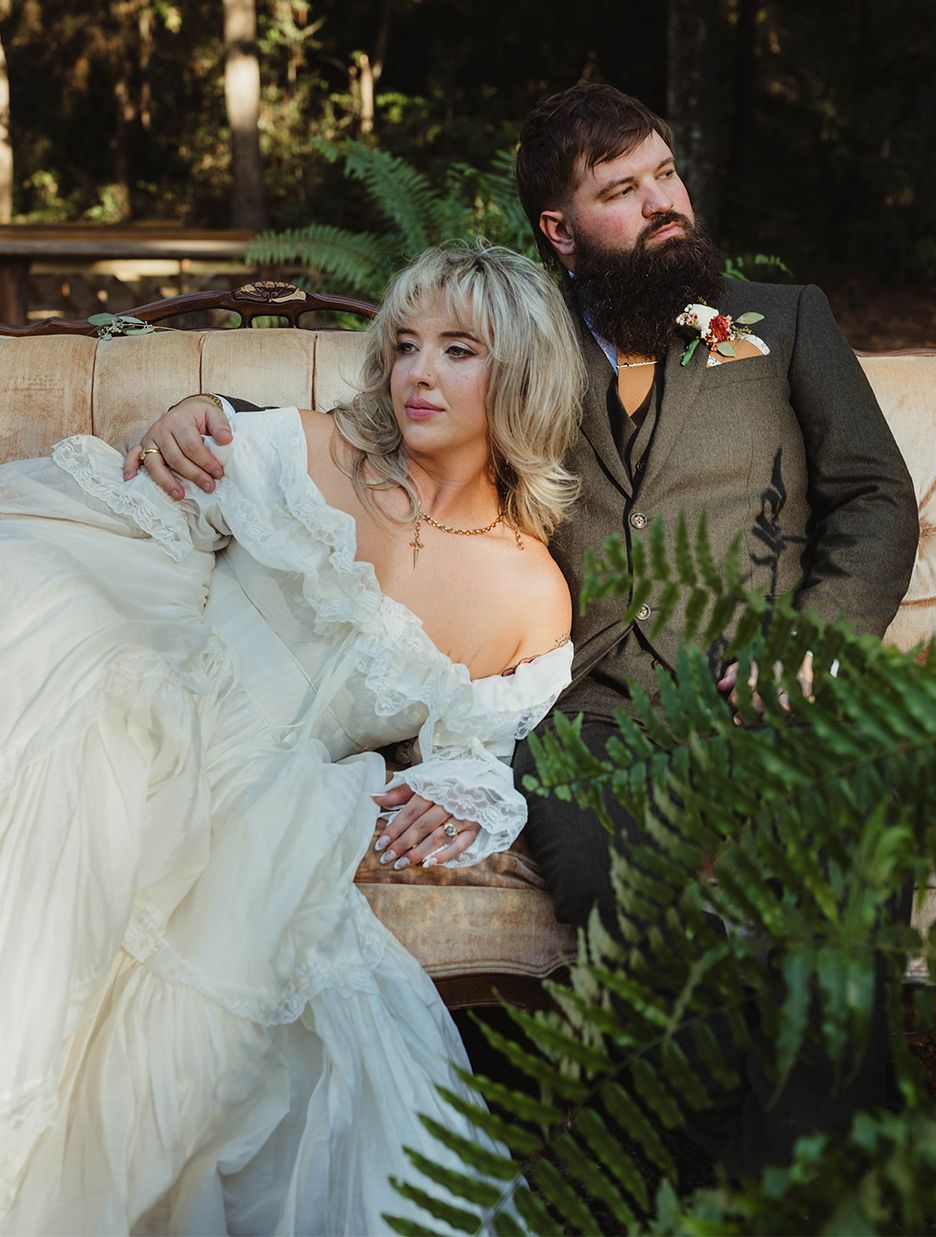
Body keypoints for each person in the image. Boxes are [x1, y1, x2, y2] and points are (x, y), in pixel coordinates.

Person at [127, 83, 921, 1173]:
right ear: (560, 229)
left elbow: (876, 495)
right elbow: (394, 414)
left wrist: (818, 639)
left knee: (842, 869)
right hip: (587, 714)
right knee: (621, 894)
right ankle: (696, 1183)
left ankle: (823, 1193)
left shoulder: (777, 323)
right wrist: (216, 416)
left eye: (665, 173)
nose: (662, 202)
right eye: (622, 189)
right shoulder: (526, 334)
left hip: (766, 689)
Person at [0, 241, 584, 1235]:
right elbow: (163, 512)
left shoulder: (531, 594)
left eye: (457, 350)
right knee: (75, 676)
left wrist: (462, 790)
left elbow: (474, 750)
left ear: (522, 376)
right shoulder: (305, 448)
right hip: (160, 666)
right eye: (405, 345)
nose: (418, 373)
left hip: (281, 785)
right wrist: (182, 431)